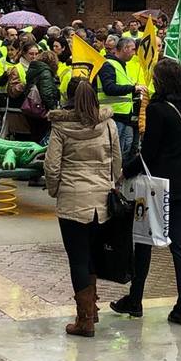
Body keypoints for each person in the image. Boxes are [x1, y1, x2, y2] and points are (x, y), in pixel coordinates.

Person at [110, 59, 181, 326]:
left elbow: (148, 154)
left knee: (144, 242)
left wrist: (124, 172)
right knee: (178, 244)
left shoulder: (158, 110)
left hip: (158, 186)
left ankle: (135, 299)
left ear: (160, 82)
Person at [45, 78, 122, 338]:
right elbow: (117, 160)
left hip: (71, 200)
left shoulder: (60, 128)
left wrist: (55, 189)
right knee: (93, 256)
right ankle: (92, 308)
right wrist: (111, 183)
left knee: (77, 259)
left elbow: (52, 166)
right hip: (101, 201)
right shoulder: (108, 124)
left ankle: (85, 318)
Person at [97, 37, 142, 160]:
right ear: (124, 48)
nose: (134, 53)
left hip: (123, 116)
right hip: (112, 115)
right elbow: (109, 88)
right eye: (133, 50)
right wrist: (133, 88)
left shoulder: (121, 65)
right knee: (113, 153)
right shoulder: (108, 64)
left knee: (122, 151)